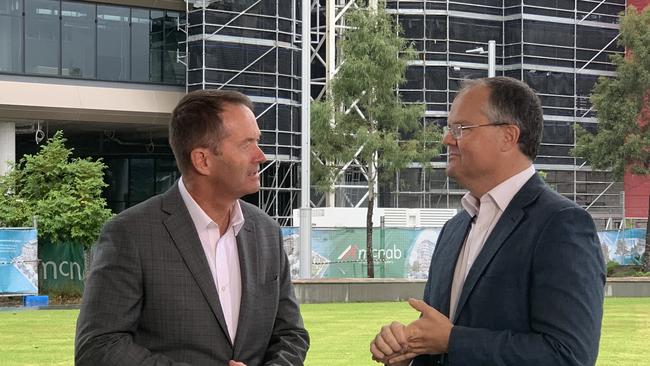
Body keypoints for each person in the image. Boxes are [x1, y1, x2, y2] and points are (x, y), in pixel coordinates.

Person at [370, 76, 605, 366]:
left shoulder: (561, 225)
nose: (447, 139)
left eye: (460, 128)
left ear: (508, 136)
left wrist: (452, 339)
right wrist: (407, 347)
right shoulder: (454, 229)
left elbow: (569, 356)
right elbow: (437, 339)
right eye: (449, 128)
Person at [75, 89, 309, 365]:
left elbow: (291, 334)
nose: (261, 156)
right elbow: (99, 347)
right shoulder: (131, 234)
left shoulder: (266, 232)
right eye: (247, 144)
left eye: (257, 142)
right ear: (203, 160)